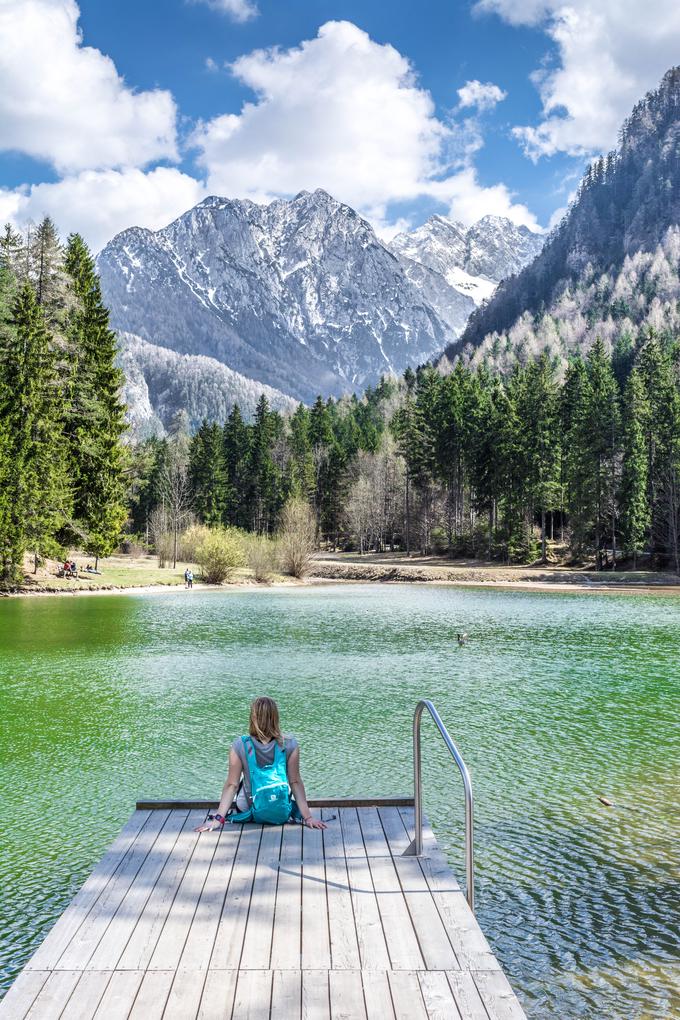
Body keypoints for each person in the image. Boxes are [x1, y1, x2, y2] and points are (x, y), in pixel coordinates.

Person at [195, 696, 326, 832]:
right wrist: (308, 817)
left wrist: (218, 819)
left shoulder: (240, 745)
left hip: (249, 807)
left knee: (239, 787)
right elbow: (295, 782)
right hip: (278, 807)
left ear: (253, 718)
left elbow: (231, 785)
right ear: (275, 717)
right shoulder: (290, 744)